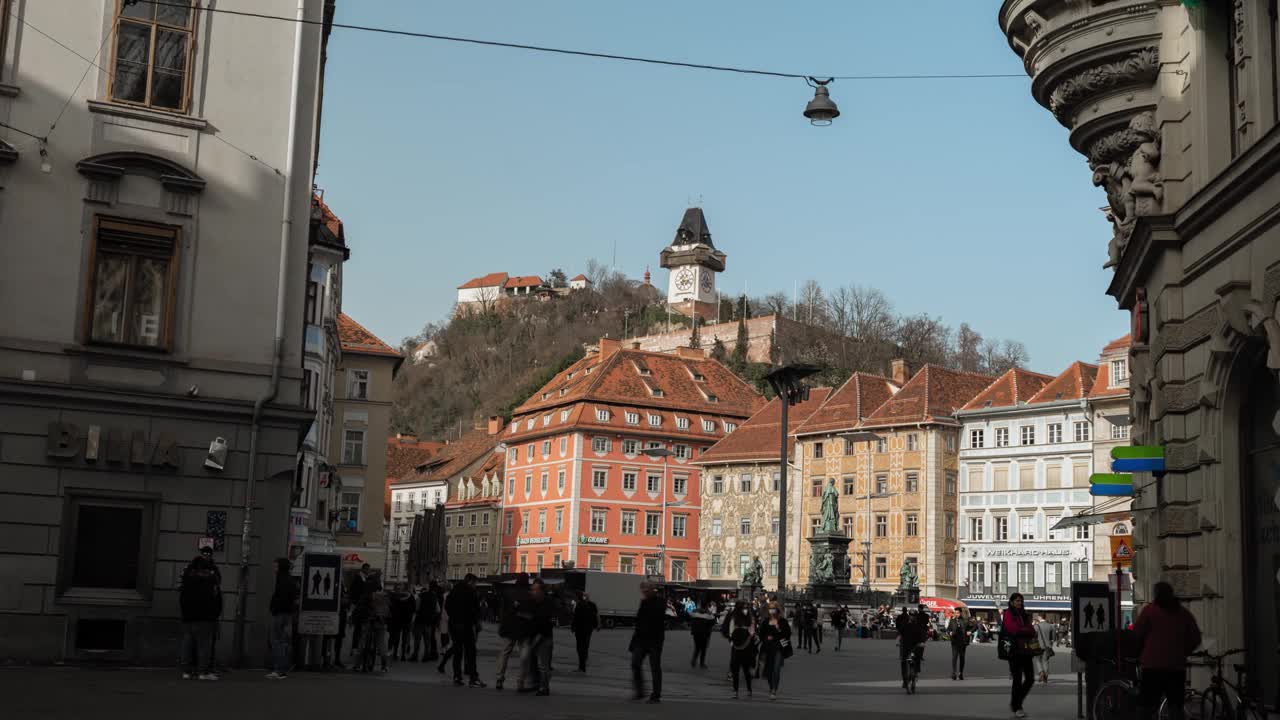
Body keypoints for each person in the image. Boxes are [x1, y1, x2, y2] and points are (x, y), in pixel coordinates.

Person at [1134, 582, 1202, 720]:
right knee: (1175, 707)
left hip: (1152, 667)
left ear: (1156, 595)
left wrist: (1141, 652)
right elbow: (1195, 638)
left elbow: (1137, 634)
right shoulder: (1183, 614)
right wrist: (1183, 652)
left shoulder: (1149, 611)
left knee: (1146, 707)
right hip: (1176, 668)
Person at [178, 550, 222, 680]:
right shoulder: (211, 577)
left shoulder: (187, 575)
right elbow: (215, 596)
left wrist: (184, 611)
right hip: (206, 616)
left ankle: (186, 670)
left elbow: (182, 594)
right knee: (204, 645)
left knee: (187, 643)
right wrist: (215, 613)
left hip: (188, 615)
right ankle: (203, 672)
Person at [446, 573, 485, 687]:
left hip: (454, 624)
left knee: (458, 651)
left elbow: (447, 606)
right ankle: (473, 678)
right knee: (470, 652)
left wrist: (453, 617)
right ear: (470, 581)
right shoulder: (471, 592)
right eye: (475, 583)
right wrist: (475, 622)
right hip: (467, 625)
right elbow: (475, 610)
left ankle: (457, 677)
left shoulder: (454, 590)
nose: (475, 585)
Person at [1002, 593, 1038, 718]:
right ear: (1011, 602)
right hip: (1014, 651)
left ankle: (1015, 702)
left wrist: (1024, 630)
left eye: (1021, 601)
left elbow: (1032, 631)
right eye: (1017, 601)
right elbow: (1013, 629)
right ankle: (1017, 706)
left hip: (1026, 651)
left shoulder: (1024, 614)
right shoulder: (1008, 613)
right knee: (1017, 680)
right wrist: (1025, 630)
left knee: (1030, 679)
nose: (1019, 603)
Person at [630, 581, 665, 704]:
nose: (643, 591)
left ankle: (656, 695)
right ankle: (640, 691)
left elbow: (656, 618)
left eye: (646, 589)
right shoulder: (644, 602)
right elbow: (639, 622)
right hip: (641, 640)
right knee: (635, 662)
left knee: (655, 667)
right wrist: (633, 642)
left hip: (655, 640)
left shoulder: (660, 601)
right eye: (642, 589)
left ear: (652, 589)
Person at [495, 574, 530, 690]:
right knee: (524, 656)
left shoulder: (508, 592)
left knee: (504, 653)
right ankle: (520, 681)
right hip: (524, 629)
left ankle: (499, 678)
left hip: (509, 627)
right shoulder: (529, 595)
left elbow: (502, 611)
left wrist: (501, 625)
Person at [266, 557, 297, 680]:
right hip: (287, 614)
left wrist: (274, 608)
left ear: (281, 567)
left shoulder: (282, 580)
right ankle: (282, 669)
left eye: (276, 566)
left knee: (276, 641)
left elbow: (281, 597)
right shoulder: (289, 579)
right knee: (283, 641)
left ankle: (278, 669)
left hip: (280, 613)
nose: (274, 568)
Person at [523, 579, 555, 695]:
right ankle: (535, 683)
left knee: (543, 664)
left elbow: (548, 622)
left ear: (541, 591)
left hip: (544, 637)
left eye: (534, 589)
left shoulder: (548, 602)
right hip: (532, 636)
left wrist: (539, 636)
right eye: (532, 589)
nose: (532, 591)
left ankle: (544, 687)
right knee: (531, 661)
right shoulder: (531, 602)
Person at [758, 600, 791, 701]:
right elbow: (761, 634)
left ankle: (774, 690)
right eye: (770, 609)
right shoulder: (766, 621)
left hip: (778, 648)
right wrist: (765, 638)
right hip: (768, 648)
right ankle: (770, 686)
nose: (772, 611)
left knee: (776, 669)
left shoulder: (782, 621)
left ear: (777, 610)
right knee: (769, 669)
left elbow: (787, 634)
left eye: (773, 609)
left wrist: (779, 629)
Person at [723, 601, 756, 699]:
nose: (745, 610)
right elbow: (730, 631)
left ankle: (749, 689)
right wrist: (732, 641)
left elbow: (752, 631)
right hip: (737, 646)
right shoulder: (734, 618)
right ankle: (736, 691)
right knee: (735, 669)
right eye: (744, 608)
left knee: (746, 669)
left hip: (747, 646)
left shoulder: (750, 618)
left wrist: (750, 637)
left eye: (747, 608)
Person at [896, 606, 926, 689]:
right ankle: (904, 680)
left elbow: (923, 634)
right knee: (903, 661)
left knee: (918, 657)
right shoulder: (905, 623)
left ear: (916, 616)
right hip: (906, 644)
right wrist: (898, 640)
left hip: (916, 644)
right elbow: (900, 633)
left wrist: (923, 642)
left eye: (914, 615)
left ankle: (916, 672)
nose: (912, 617)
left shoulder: (919, 624)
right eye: (911, 615)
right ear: (909, 615)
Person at [571, 591, 600, 673]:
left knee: (580, 648)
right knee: (583, 647)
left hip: (581, 630)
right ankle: (582, 665)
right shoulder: (587, 605)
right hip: (587, 629)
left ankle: (582, 666)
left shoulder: (580, 605)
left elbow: (576, 618)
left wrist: (573, 627)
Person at [348, 563, 373, 659]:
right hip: (359, 605)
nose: (368, 571)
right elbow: (353, 591)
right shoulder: (358, 578)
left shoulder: (367, 579)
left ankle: (360, 646)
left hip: (365, 605)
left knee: (362, 628)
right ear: (363, 569)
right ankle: (354, 647)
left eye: (368, 569)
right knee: (358, 628)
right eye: (367, 569)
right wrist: (355, 601)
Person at [366, 582, 392, 673]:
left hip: (371, 623)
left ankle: (365, 665)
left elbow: (368, 610)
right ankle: (384, 666)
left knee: (367, 644)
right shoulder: (385, 599)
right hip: (381, 624)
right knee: (382, 646)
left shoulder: (371, 597)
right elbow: (388, 613)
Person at [412, 583, 439, 662]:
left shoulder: (421, 595)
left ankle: (415, 655)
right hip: (429, 621)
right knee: (427, 641)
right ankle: (426, 656)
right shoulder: (435, 598)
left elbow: (417, 607)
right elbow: (438, 610)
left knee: (417, 640)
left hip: (419, 620)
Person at [689, 601, 716, 668]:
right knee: (703, 649)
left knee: (697, 647)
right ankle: (702, 663)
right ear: (707, 606)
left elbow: (690, 617)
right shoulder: (708, 613)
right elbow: (713, 622)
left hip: (696, 633)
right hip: (705, 633)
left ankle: (694, 661)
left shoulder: (694, 611)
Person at [947, 609, 971, 680]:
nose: (956, 614)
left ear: (960, 613)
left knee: (962, 657)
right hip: (954, 642)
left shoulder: (965, 621)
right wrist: (950, 632)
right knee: (954, 657)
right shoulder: (952, 621)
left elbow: (974, 626)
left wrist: (970, 632)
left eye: (957, 613)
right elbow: (948, 629)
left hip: (963, 642)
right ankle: (954, 673)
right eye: (955, 613)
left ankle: (961, 673)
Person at [1033, 614, 1056, 683]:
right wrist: (1051, 642)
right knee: (1045, 661)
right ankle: (1045, 675)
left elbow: (1033, 636)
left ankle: (1041, 672)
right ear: (1045, 617)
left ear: (1040, 617)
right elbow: (1054, 637)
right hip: (1047, 646)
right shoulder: (1050, 626)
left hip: (1038, 646)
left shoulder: (1036, 626)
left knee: (1037, 660)